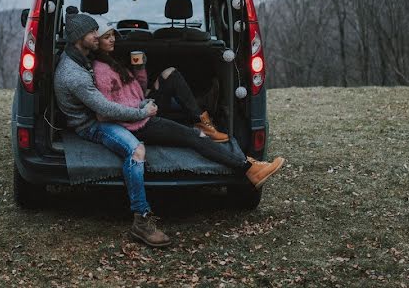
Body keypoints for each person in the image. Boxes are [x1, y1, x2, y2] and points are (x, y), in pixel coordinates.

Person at [91, 23, 285, 193]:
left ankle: (201, 120)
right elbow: (110, 110)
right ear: (96, 41)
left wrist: (140, 70)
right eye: (106, 37)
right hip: (138, 123)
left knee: (170, 73)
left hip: (143, 108)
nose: (113, 39)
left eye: (113, 35)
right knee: (193, 137)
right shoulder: (101, 70)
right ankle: (250, 169)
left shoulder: (113, 61)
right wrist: (143, 111)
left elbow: (136, 93)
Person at [54, 12, 171, 247]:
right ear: (79, 37)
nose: (97, 36)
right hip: (92, 125)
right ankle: (141, 221)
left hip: (100, 116)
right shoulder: (74, 75)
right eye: (92, 32)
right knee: (137, 151)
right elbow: (106, 110)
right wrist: (142, 113)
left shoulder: (81, 56)